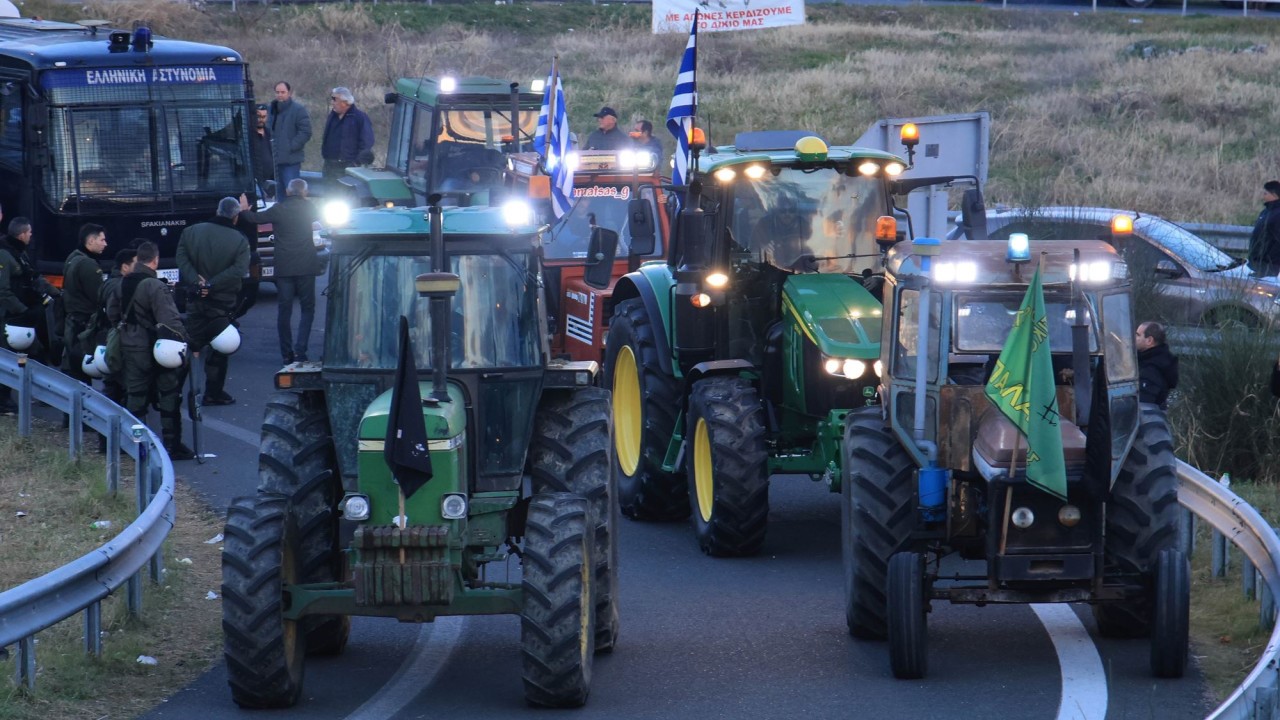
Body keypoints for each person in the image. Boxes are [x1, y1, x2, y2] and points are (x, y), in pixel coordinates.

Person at [108, 242, 193, 460]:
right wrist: (185, 340)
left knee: (135, 397)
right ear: (155, 260)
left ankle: (134, 445)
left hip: (130, 346)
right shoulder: (155, 286)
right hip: (155, 347)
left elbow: (112, 313)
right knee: (168, 395)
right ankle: (172, 445)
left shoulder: (121, 284)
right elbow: (170, 319)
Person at [176, 197, 250, 406]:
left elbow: (181, 259)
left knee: (188, 344)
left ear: (217, 210)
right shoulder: (239, 240)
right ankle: (213, 392)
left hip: (195, 298)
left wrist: (197, 282)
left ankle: (174, 391)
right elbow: (239, 270)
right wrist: (212, 284)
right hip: (222, 302)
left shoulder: (191, 232)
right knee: (220, 348)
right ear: (235, 217)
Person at [238, 178, 321, 364]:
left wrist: (244, 209)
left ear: (288, 191)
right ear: (305, 193)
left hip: (284, 268)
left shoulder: (278, 209)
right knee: (308, 309)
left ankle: (286, 353)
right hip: (307, 266)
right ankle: (301, 350)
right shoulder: (310, 208)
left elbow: (254, 219)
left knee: (285, 310)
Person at [61, 223, 107, 385]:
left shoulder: (73, 257)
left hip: (72, 323)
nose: (105, 244)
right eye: (102, 240)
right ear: (91, 241)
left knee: (72, 367)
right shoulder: (88, 265)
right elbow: (99, 296)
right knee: (81, 370)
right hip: (83, 325)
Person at [98, 247, 138, 411]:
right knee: (118, 387)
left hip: (109, 340)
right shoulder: (119, 286)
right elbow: (114, 315)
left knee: (112, 386)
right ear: (125, 267)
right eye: (136, 263)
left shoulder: (108, 283)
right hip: (117, 342)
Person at [320, 87, 374, 182]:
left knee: (344, 195)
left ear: (345, 102)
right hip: (329, 165)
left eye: (335, 99)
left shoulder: (359, 118)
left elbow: (367, 141)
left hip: (348, 167)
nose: (332, 102)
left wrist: (356, 163)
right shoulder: (332, 116)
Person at [268, 81, 311, 191]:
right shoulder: (271, 110)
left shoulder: (298, 110)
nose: (280, 95)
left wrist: (290, 147)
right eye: (277, 92)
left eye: (283, 92)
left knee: (293, 194)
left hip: (290, 161)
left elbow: (305, 132)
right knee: (279, 197)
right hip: (274, 162)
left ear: (289, 93)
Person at [1136, 321, 1178, 409]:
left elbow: (1143, 405)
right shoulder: (1160, 361)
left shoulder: (1151, 369)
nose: (1134, 338)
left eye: (1138, 335)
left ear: (1149, 340)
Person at [1248, 180, 1280, 278]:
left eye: (1265, 193)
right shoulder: (1266, 211)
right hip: (1259, 263)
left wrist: (1269, 259)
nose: (1263, 196)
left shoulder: (1278, 214)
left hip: (1270, 266)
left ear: (1274, 195)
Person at [250, 104, 275, 199]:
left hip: (270, 182)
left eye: (264, 117)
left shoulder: (270, 134)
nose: (261, 119)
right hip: (255, 182)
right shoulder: (249, 135)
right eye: (258, 116)